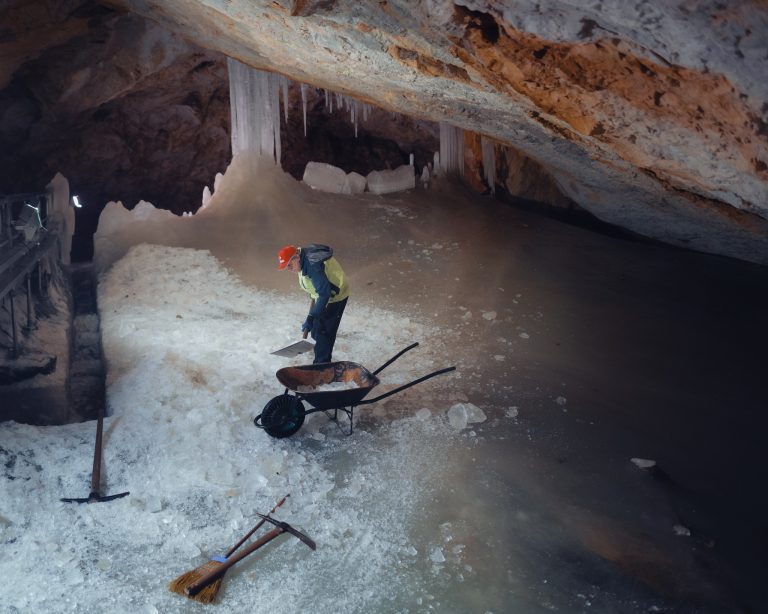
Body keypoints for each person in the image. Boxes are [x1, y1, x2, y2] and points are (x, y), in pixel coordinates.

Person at [278, 243, 349, 363]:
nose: (289, 269)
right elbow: (315, 285)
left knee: (323, 332)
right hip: (322, 293)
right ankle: (319, 351)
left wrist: (311, 317)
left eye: (289, 265)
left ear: (297, 257)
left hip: (335, 295)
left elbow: (324, 294)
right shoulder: (301, 260)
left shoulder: (313, 267)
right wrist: (312, 315)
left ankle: (321, 365)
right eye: (286, 267)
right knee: (316, 330)